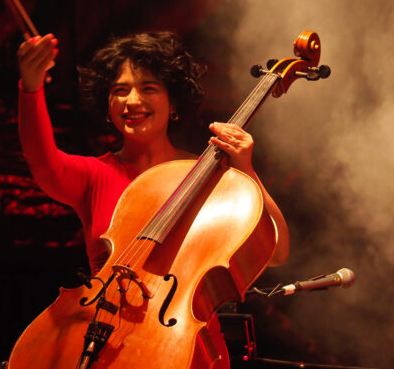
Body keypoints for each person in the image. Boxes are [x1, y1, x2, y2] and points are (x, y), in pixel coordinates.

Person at [16, 31, 289, 368]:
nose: (132, 101)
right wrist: (31, 88)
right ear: (107, 106)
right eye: (120, 90)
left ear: (173, 104)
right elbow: (42, 162)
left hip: (180, 339)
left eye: (148, 88)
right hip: (101, 335)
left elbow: (275, 252)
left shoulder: (206, 176)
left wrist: (245, 170)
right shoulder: (93, 175)